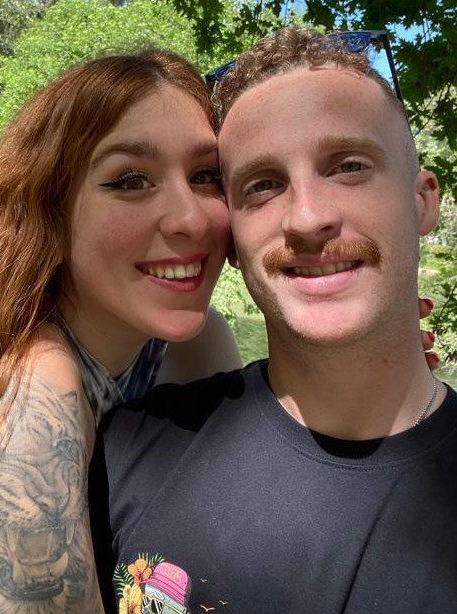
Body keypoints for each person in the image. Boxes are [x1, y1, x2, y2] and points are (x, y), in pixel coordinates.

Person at [0, 49, 243, 613]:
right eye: (131, 180)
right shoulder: (36, 392)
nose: (192, 218)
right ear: (48, 214)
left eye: (205, 176)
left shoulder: (191, 347)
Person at [91, 27, 457, 613]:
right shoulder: (123, 452)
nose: (307, 219)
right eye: (263, 186)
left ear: (423, 202)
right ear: (233, 242)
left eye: (348, 166)